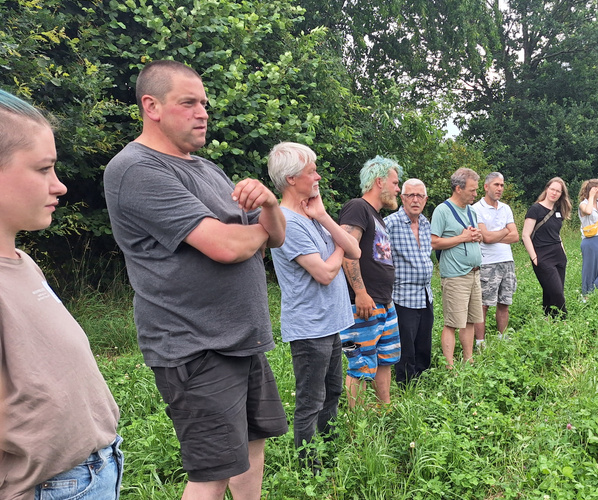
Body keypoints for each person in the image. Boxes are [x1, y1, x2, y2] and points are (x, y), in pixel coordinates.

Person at [104, 61, 289, 499]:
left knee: (252, 445)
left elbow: (275, 239)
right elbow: (225, 245)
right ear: (151, 106)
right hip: (195, 345)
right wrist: (258, 231)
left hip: (241, 339)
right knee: (211, 474)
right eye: (188, 102)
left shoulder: (206, 169)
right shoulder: (136, 169)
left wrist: (269, 206)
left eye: (204, 103)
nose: (203, 112)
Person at [0, 89, 122, 500]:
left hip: (92, 469)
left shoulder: (23, 262)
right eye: (43, 169)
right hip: (49, 487)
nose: (60, 186)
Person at [267, 142, 360, 458]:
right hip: (309, 329)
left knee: (332, 391)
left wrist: (323, 216)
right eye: (312, 171)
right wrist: (339, 249)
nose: (318, 176)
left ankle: (331, 453)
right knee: (310, 400)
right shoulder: (286, 222)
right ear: (292, 179)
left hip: (329, 324)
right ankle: (309, 469)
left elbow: (356, 251)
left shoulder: (310, 214)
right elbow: (324, 273)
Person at [338, 156, 402, 407]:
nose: (398, 189)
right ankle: (357, 431)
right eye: (395, 183)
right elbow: (346, 250)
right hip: (363, 303)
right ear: (379, 182)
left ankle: (383, 410)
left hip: (384, 302)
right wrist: (360, 292)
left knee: (386, 358)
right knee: (361, 365)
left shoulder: (378, 217)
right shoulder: (357, 207)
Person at [431, 168, 484, 368]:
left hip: (474, 273)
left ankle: (468, 359)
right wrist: (462, 237)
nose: (475, 194)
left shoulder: (471, 210)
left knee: (471, 320)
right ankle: (449, 365)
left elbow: (472, 236)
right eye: (472, 190)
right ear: (458, 188)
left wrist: (477, 236)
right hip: (455, 276)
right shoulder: (442, 210)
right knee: (453, 322)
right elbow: (434, 242)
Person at [384, 178, 434, 384]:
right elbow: (382, 262)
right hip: (402, 295)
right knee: (406, 344)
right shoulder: (389, 224)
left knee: (424, 342)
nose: (415, 200)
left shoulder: (425, 223)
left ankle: (421, 381)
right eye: (410, 195)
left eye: (419, 196)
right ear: (402, 198)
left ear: (425, 199)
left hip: (425, 294)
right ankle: (405, 385)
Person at [473, 172, 519, 343]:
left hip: (507, 261)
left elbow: (515, 236)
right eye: (496, 185)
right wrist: (505, 231)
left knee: (504, 302)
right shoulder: (476, 208)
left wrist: (496, 234)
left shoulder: (505, 208)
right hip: (487, 262)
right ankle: (480, 343)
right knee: (483, 305)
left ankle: (502, 338)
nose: (500, 188)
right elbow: (486, 238)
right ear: (486, 187)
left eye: (502, 185)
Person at [522, 177, 572, 318]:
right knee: (556, 292)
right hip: (542, 256)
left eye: (558, 191)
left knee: (552, 291)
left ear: (561, 194)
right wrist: (534, 257)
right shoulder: (535, 209)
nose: (554, 193)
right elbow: (525, 235)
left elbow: (556, 234)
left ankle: (550, 320)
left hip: (558, 255)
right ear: (546, 189)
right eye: (552, 189)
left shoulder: (558, 210)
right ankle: (565, 320)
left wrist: (563, 251)